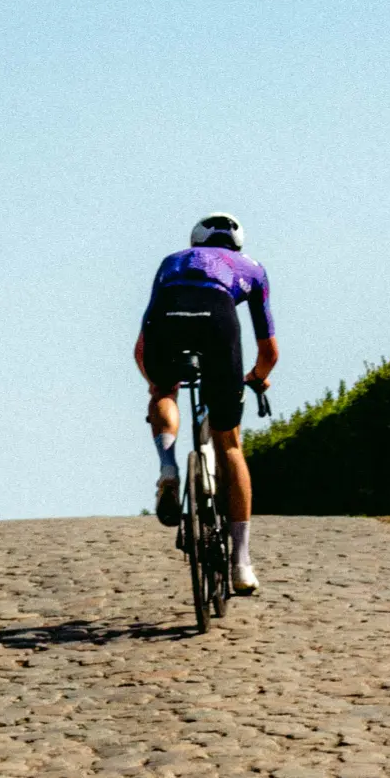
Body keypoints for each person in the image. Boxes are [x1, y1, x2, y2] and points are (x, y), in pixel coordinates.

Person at [135, 214, 278, 595]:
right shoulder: (252, 268)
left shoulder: (172, 261)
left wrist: (157, 386)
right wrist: (257, 376)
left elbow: (142, 342)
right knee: (229, 442)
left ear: (195, 242)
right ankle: (242, 564)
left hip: (169, 315)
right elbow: (268, 350)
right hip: (218, 317)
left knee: (165, 393)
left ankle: (168, 467)